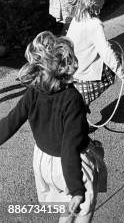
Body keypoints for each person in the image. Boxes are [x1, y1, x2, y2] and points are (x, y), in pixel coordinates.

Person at [0, 32, 102, 222]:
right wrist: (76, 189)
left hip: (43, 161)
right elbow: (69, 147)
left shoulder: (34, 91)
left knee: (66, 208)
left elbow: (10, 122)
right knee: (81, 209)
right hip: (69, 165)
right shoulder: (72, 99)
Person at [67, 0, 124, 107]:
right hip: (86, 74)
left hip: (74, 71)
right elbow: (105, 51)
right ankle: (79, 115)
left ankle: (79, 112)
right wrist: (120, 72)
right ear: (95, 1)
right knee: (116, 55)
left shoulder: (76, 18)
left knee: (79, 103)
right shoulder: (94, 24)